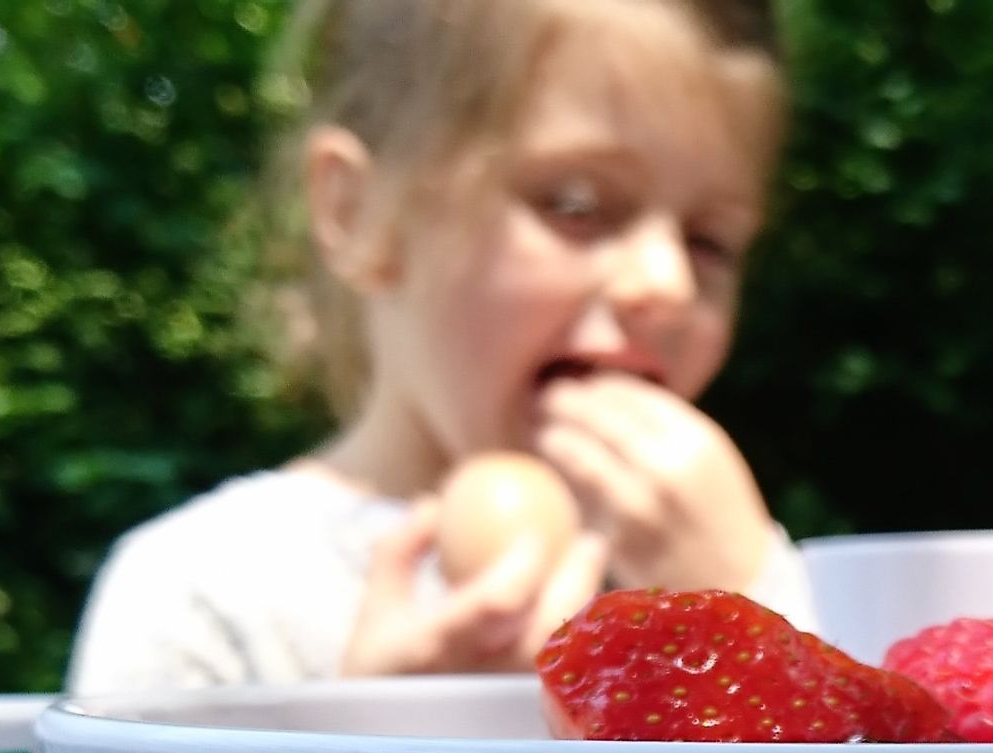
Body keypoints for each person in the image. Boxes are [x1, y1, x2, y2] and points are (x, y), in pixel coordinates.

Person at [69, 0, 812, 693]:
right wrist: (377, 737)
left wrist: (754, 616)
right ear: (361, 213)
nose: (667, 283)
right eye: (576, 205)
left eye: (711, 242)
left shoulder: (715, 564)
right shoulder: (205, 593)